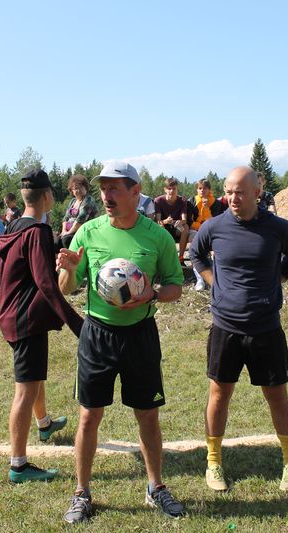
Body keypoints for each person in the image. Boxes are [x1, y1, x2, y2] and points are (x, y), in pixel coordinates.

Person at [56, 160, 185, 524]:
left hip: (140, 335)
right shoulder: (88, 232)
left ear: (135, 192)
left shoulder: (157, 236)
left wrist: (153, 295)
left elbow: (175, 286)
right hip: (97, 334)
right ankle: (82, 492)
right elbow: (66, 288)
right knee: (89, 415)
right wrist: (69, 269)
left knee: (147, 414)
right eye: (103, 189)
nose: (106, 196)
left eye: (114, 188)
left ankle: (156, 487)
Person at [191, 166, 288, 493]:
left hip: (266, 327)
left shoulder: (278, 227)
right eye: (229, 191)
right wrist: (214, 283)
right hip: (225, 327)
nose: (233, 198)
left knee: (277, 395)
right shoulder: (214, 226)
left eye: (240, 192)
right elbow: (196, 254)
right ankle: (214, 462)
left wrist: (277, 280)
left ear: (257, 192)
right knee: (219, 394)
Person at [0, 168, 83, 484]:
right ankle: (18, 465)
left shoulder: (15, 226)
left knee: (34, 377)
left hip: (14, 314)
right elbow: (47, 284)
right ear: (47, 196)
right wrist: (77, 324)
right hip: (25, 319)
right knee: (25, 389)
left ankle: (44, 423)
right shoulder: (37, 232)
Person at [188, 179, 223, 291]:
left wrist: (207, 208)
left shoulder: (216, 203)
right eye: (200, 188)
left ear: (209, 190)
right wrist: (201, 228)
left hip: (212, 231)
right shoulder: (191, 201)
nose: (202, 190)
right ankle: (200, 279)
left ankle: (218, 277)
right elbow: (189, 221)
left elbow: (215, 221)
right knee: (195, 244)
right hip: (195, 230)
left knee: (217, 245)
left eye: (205, 188)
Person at [154, 177, 190, 264]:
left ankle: (181, 257)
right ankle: (165, 257)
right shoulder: (158, 201)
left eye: (174, 188)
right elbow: (158, 221)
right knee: (160, 226)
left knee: (185, 228)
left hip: (176, 227)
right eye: (169, 188)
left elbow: (184, 219)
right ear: (165, 189)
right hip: (164, 227)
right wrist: (165, 221)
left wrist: (180, 222)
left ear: (177, 189)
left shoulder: (182, 201)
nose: (172, 191)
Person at [58, 174, 98, 249]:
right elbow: (65, 218)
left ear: (85, 188)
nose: (78, 190)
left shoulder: (88, 200)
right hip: (70, 231)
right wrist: (64, 231)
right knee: (56, 242)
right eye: (75, 188)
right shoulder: (72, 201)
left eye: (81, 187)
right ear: (72, 190)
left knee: (66, 240)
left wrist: (68, 233)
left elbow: (80, 219)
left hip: (84, 231)